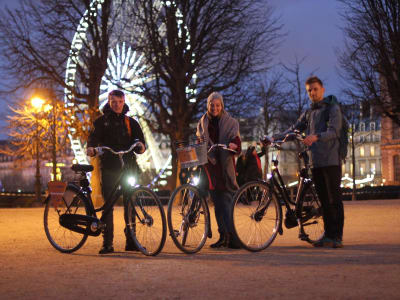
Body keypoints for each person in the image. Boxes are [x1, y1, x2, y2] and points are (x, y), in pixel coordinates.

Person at [273, 76, 344, 248]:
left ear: (322, 89)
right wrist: (274, 137)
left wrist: (316, 136)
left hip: (331, 159)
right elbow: (294, 130)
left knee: (334, 198)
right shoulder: (309, 112)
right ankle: (328, 234)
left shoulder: (332, 108)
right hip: (316, 161)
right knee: (324, 200)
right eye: (309, 91)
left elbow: (334, 131)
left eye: (315, 89)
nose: (312, 93)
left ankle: (337, 237)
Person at [87, 90, 146, 254]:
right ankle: (107, 243)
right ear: (109, 102)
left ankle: (131, 241)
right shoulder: (100, 123)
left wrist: (141, 146)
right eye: (114, 102)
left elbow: (140, 140)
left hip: (128, 167)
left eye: (120, 102)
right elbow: (92, 138)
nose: (117, 105)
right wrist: (91, 148)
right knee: (108, 206)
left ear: (124, 102)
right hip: (109, 168)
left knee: (130, 203)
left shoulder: (131, 122)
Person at [196, 92, 242, 248]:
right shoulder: (202, 122)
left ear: (222, 106)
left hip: (224, 165)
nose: (214, 108)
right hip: (210, 167)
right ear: (208, 105)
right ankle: (223, 236)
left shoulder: (231, 122)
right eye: (211, 105)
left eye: (217, 105)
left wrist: (234, 145)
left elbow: (236, 139)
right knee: (217, 203)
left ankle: (233, 238)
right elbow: (199, 140)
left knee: (227, 203)